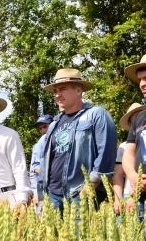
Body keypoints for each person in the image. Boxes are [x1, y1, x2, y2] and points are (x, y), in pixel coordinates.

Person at [40, 68, 117, 214]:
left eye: (62, 89)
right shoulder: (54, 123)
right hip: (52, 195)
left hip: (79, 193)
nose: (57, 95)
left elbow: (107, 150)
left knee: (80, 236)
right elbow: (46, 159)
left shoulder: (96, 114)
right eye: (55, 91)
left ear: (78, 90)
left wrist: (92, 182)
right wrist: (41, 191)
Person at [119, 55, 146, 203]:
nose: (142, 84)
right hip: (140, 196)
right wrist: (133, 177)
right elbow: (129, 153)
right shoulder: (138, 118)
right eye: (140, 79)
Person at [115, 102, 146, 216]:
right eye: (133, 117)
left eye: (140, 114)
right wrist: (118, 198)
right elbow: (118, 175)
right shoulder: (123, 147)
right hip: (130, 194)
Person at [28, 114, 53, 210]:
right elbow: (35, 170)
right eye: (40, 128)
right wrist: (36, 193)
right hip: (43, 191)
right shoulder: (41, 142)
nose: (43, 131)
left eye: (45, 126)